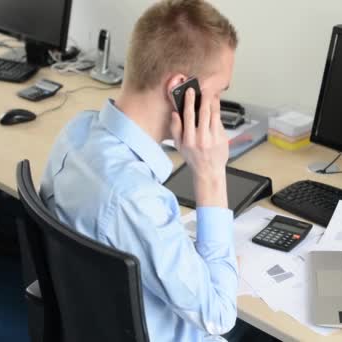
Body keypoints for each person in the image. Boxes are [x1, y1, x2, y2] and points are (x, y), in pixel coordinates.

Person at [39, 0, 239, 340]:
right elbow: (220, 315)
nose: (217, 107)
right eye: (218, 92)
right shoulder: (135, 199)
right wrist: (211, 175)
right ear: (180, 88)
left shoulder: (76, 132)